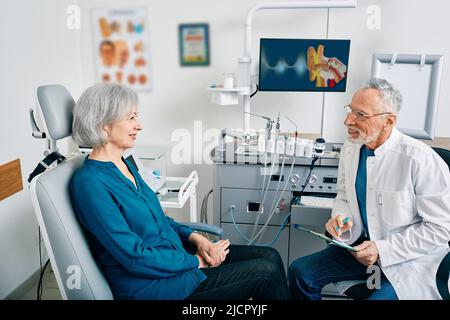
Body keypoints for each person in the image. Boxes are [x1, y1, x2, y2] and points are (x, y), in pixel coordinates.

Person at [70, 83, 290, 300]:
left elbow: (161, 221)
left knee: (270, 255)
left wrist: (197, 239)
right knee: (265, 274)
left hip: (176, 259)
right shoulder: (90, 184)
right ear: (104, 126)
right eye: (131, 118)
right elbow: (135, 257)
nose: (139, 125)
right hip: (154, 286)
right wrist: (196, 262)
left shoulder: (124, 164)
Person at [288, 78, 450, 300]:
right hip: (359, 252)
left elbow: (441, 229)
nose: (347, 120)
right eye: (350, 111)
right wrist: (341, 219)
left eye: (360, 115)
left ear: (389, 120)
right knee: (300, 273)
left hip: (408, 260)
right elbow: (344, 195)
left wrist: (382, 249)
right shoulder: (351, 149)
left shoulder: (420, 160)